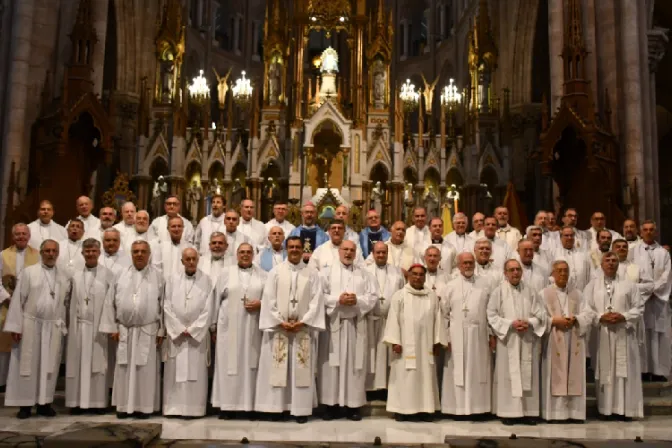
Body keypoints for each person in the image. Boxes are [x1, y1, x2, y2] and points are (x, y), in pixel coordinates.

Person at [254, 236, 325, 423]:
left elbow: (317, 301)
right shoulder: (276, 272)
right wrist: (279, 321)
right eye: (291, 247)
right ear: (286, 249)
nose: (294, 250)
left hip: (303, 329)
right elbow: (268, 299)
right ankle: (278, 408)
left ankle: (300, 410)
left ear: (303, 250)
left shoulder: (312, 274)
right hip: (280, 329)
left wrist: (304, 321)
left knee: (300, 370)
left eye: (298, 247)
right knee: (278, 369)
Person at [3, 240, 67, 419]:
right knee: (27, 365)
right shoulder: (29, 273)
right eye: (47, 250)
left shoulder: (63, 276)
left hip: (52, 326)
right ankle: (25, 405)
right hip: (30, 325)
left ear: (58, 253)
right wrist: (16, 326)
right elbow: (18, 300)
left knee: (49, 366)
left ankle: (44, 403)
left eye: (54, 251)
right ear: (41, 252)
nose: (51, 254)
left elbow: (63, 303)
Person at [100, 240, 164, 419]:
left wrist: (161, 330)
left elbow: (163, 303)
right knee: (124, 368)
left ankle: (144, 408)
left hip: (148, 330)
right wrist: (112, 326)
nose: (139, 254)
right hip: (125, 330)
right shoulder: (120, 274)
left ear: (149, 254)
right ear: (131, 253)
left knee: (145, 371)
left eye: (143, 251)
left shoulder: (158, 276)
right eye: (136, 251)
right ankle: (122, 406)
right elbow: (109, 301)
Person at [318, 240, 377, 421]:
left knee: (354, 366)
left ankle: (354, 406)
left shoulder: (364, 274)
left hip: (355, 325)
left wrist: (357, 300)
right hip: (333, 325)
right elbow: (319, 295)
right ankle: (330, 405)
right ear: (339, 251)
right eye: (345, 249)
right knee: (331, 366)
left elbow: (372, 296)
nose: (348, 253)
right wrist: (338, 300)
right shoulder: (326, 273)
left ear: (356, 253)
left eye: (352, 250)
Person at [584, 252, 644, 420]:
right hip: (602, 334)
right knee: (605, 371)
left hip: (624, 333)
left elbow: (639, 308)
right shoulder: (592, 286)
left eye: (614, 261)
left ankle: (626, 410)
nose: (610, 263)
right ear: (601, 264)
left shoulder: (629, 285)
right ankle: (605, 410)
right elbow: (586, 308)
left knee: (625, 372)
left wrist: (623, 316)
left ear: (619, 264)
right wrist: (599, 317)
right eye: (607, 260)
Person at [487, 259, 547, 425]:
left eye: (518, 270)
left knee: (528, 374)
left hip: (527, 339)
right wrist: (510, 324)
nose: (515, 273)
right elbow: (491, 315)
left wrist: (530, 323)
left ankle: (528, 412)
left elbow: (541, 315)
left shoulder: (531, 291)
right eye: (511, 270)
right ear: (505, 273)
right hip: (508, 340)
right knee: (508, 376)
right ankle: (508, 412)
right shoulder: (498, 292)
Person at [212, 243, 267, 418]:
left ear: (253, 255)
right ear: (236, 254)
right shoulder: (225, 274)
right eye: (242, 252)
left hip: (253, 328)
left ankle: (250, 406)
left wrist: (261, 304)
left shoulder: (262, 275)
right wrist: (213, 326)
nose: (245, 255)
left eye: (248, 252)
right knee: (228, 366)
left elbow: (270, 299)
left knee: (252, 366)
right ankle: (227, 407)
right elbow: (214, 300)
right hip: (229, 329)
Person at [384, 263, 443, 422]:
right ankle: (402, 410)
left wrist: (437, 341)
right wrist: (395, 340)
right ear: (408, 276)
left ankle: (425, 409)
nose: (418, 277)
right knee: (405, 377)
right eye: (414, 274)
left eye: (421, 275)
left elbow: (438, 319)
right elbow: (393, 319)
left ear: (425, 277)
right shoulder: (400, 296)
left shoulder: (431, 295)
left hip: (426, 345)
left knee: (425, 376)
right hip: (404, 346)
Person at [439, 252, 494, 418]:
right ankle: (455, 409)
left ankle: (479, 409)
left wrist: (492, 335)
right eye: (465, 263)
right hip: (456, 336)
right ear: (459, 265)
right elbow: (443, 314)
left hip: (479, 335)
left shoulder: (485, 284)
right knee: (457, 371)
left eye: (471, 263)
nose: (468, 266)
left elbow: (490, 311)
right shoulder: (451, 286)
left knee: (479, 371)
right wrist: (445, 337)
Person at [163, 248, 213, 418]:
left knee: (196, 373)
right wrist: (177, 328)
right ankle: (173, 408)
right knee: (174, 374)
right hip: (176, 336)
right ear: (182, 261)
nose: (191, 262)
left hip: (196, 337)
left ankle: (195, 409)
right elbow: (166, 306)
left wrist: (193, 329)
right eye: (188, 259)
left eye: (194, 259)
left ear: (198, 260)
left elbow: (209, 308)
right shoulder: (171, 280)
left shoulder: (206, 280)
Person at [540, 260, 592, 422]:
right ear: (553, 274)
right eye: (560, 271)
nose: (563, 274)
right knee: (557, 373)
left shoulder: (577, 293)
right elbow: (539, 316)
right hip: (554, 339)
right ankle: (555, 414)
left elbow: (589, 313)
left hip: (573, 338)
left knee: (573, 373)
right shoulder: (544, 294)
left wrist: (575, 318)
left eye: (566, 271)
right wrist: (554, 321)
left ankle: (574, 413)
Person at [65, 238, 110, 414]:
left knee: (98, 366)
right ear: (82, 253)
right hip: (78, 327)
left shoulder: (108, 275)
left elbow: (110, 302)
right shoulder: (75, 276)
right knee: (77, 365)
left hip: (98, 328)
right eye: (87, 251)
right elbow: (68, 301)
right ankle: (76, 402)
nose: (90, 254)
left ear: (99, 253)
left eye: (94, 251)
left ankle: (97, 403)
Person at [0, 224, 40, 393]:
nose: (21, 237)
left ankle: (22, 381)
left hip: (30, 307)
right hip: (7, 304)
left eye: (24, 234)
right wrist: (7, 298)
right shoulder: (3, 255)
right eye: (18, 234)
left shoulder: (37, 255)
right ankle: (2, 382)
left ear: (29, 236)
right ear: (13, 236)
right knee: (5, 342)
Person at [631, 220, 671, 382]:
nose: (648, 232)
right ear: (641, 232)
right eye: (645, 230)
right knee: (643, 335)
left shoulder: (663, 253)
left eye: (651, 230)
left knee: (659, 335)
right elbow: (632, 274)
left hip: (659, 301)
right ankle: (643, 370)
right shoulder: (633, 252)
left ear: (656, 232)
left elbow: (667, 276)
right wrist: (647, 291)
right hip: (642, 300)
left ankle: (659, 371)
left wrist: (654, 290)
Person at [365, 242, 405, 394]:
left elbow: (402, 295)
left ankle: (386, 389)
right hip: (370, 319)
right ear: (373, 253)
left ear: (387, 253)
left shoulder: (397, 272)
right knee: (371, 353)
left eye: (384, 252)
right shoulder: (365, 271)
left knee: (387, 355)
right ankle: (369, 388)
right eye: (378, 252)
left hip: (390, 320)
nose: (381, 255)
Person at [154, 216, 195, 280]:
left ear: (183, 228)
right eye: (173, 226)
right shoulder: (160, 247)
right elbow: (156, 269)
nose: (176, 229)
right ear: (168, 228)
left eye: (179, 226)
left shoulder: (190, 248)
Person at [552, 226, 592, 291]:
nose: (569, 238)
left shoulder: (583, 255)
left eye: (571, 235)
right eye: (566, 235)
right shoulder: (554, 254)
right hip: (561, 293)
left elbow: (589, 275)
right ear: (560, 237)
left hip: (581, 293)